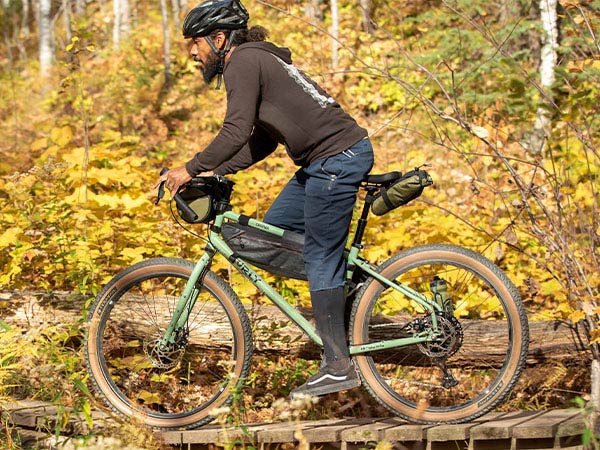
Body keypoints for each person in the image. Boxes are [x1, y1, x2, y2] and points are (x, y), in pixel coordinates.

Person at [154, 0, 374, 397]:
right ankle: (352, 291)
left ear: (219, 39)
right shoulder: (257, 61)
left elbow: (235, 130)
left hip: (336, 159)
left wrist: (190, 167)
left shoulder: (243, 61)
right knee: (275, 234)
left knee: (319, 257)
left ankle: (339, 365)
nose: (192, 52)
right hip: (324, 161)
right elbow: (261, 139)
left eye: (195, 43)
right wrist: (214, 170)